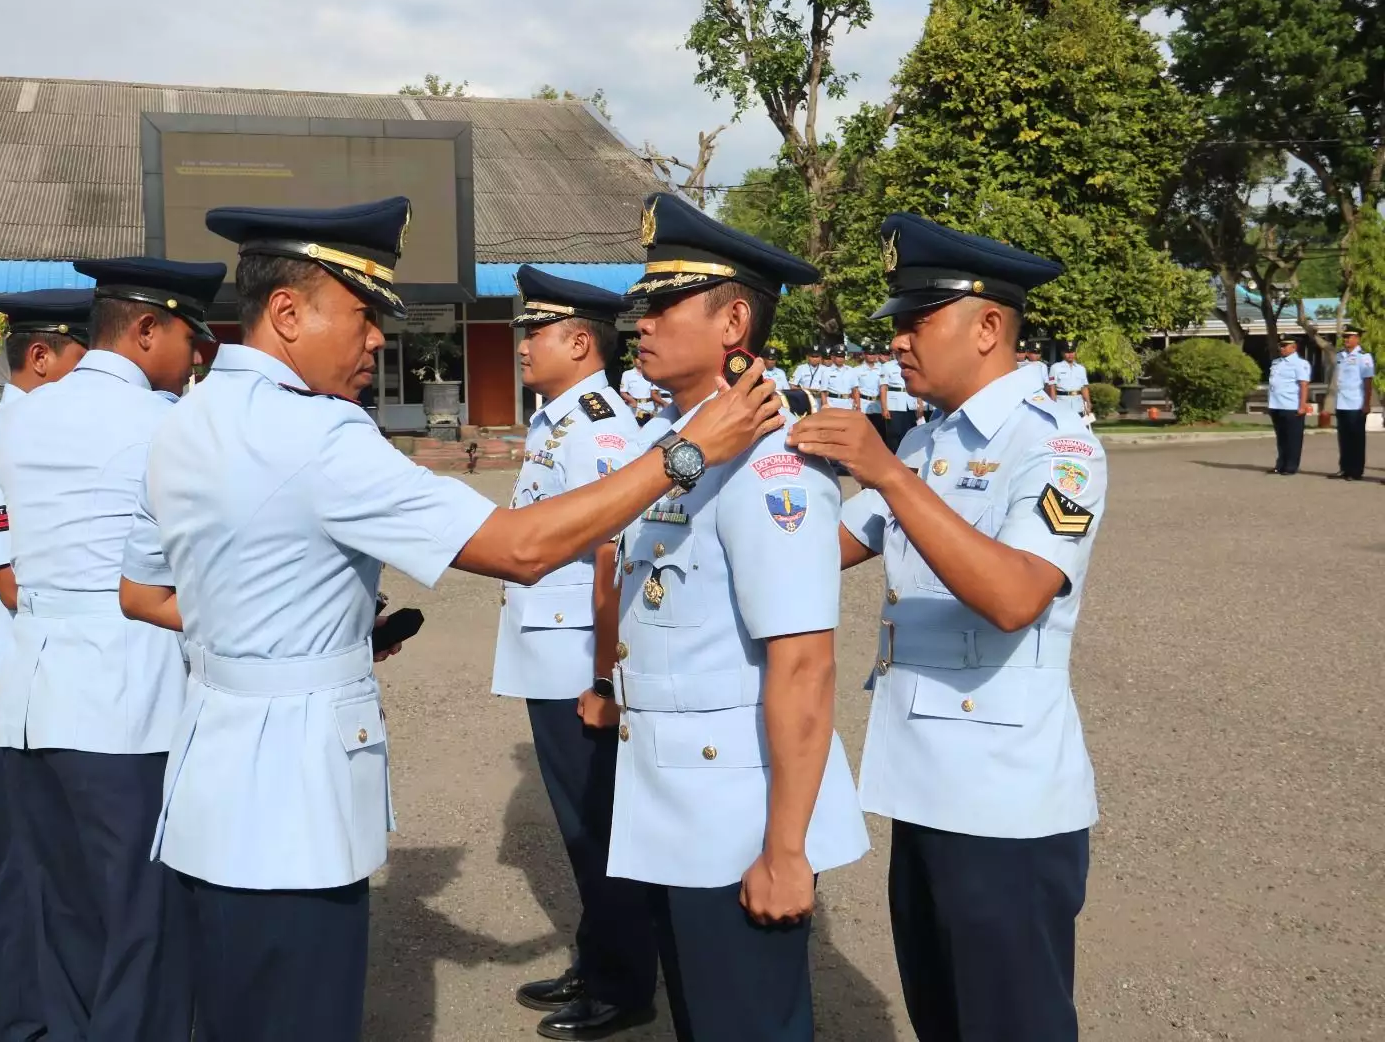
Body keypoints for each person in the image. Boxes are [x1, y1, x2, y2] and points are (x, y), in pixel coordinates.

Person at [115, 197, 782, 1042]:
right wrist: (686, 454)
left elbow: (141, 594)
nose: (377, 342)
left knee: (234, 1006)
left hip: (209, 770)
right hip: (292, 795)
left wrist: (286, 634)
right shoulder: (321, 436)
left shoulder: (186, 418)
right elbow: (521, 547)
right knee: (297, 1011)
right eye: (362, 316)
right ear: (286, 312)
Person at [787, 212, 1102, 1042]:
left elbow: (1015, 595)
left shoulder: (1055, 447)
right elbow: (825, 549)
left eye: (916, 320)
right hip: (922, 785)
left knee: (1011, 1024)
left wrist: (887, 473)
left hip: (1004, 800)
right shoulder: (929, 444)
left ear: (990, 326)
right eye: (896, 323)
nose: (896, 342)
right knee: (941, 1015)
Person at [603, 193, 869, 1042]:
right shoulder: (684, 442)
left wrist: (786, 850)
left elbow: (803, 663)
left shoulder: (769, 462)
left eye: (661, 304)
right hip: (679, 799)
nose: (637, 323)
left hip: (736, 815)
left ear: (734, 323)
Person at [0, 257, 224, 1041]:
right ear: (148, 327)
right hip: (128, 701)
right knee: (146, 925)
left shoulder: (23, 416)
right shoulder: (169, 424)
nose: (197, 357)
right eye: (192, 337)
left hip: (33, 696)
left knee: (66, 914)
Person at [495, 265, 658, 1040]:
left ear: (580, 341)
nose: (524, 345)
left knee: (600, 826)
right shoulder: (558, 417)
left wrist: (603, 674)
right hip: (551, 650)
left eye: (537, 332)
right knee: (580, 825)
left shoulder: (598, 425)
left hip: (575, 659)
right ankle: (599, 960)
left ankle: (626, 984)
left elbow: (611, 556)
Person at [0, 289, 91, 1042]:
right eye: (84, 360)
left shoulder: (59, 439)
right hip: (10, 698)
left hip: (61, 689)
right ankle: (25, 1028)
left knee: (69, 878)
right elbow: (13, 583)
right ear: (39, 358)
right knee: (24, 879)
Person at [1330, 326, 1374, 480]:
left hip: (1356, 403)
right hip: (1341, 402)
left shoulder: (1364, 357)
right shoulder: (1340, 355)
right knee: (1344, 438)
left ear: (1358, 339)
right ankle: (1344, 468)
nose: (1346, 340)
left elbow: (1368, 382)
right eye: (1345, 337)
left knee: (1356, 439)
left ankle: (1356, 471)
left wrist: (1366, 403)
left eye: (1350, 337)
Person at [1266, 335, 1311, 476]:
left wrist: (1302, 405)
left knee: (1293, 438)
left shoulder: (1300, 363)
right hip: (1276, 404)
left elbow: (1303, 385)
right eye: (1281, 345)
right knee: (1281, 438)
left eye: (1285, 346)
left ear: (1294, 347)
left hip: (1292, 405)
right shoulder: (1276, 362)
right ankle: (1280, 464)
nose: (1282, 348)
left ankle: (1291, 466)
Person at [880, 345, 917, 452]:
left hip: (909, 403)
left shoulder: (910, 365)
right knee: (894, 434)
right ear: (893, 354)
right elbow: (883, 387)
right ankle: (894, 457)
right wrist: (884, 408)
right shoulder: (887, 366)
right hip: (894, 405)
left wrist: (919, 404)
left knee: (910, 432)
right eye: (897, 353)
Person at [1047, 342, 1090, 418]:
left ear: (1075, 352)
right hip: (1062, 404)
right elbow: (1052, 386)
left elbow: (1084, 387)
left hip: (1078, 404)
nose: (1070, 355)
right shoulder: (1055, 367)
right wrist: (1053, 403)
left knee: (1079, 428)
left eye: (1072, 352)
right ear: (1062, 353)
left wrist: (1088, 402)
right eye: (1067, 352)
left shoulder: (1081, 369)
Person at [856, 344, 888, 443]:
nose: (872, 356)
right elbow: (855, 390)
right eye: (869, 354)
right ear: (864, 355)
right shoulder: (857, 370)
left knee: (879, 433)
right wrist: (858, 406)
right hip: (864, 404)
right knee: (864, 432)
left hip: (878, 404)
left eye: (874, 354)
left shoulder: (883, 369)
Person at [618, 353, 659, 424]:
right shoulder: (627, 374)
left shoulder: (650, 373)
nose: (639, 361)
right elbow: (623, 392)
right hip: (636, 408)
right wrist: (632, 401)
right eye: (638, 359)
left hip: (650, 406)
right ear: (634, 361)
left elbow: (655, 391)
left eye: (641, 359)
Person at [821, 342, 856, 409]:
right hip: (832, 404)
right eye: (838, 357)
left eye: (842, 357)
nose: (840, 359)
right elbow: (823, 391)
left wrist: (857, 405)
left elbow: (855, 389)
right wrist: (824, 405)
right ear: (833, 357)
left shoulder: (851, 370)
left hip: (848, 404)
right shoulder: (826, 371)